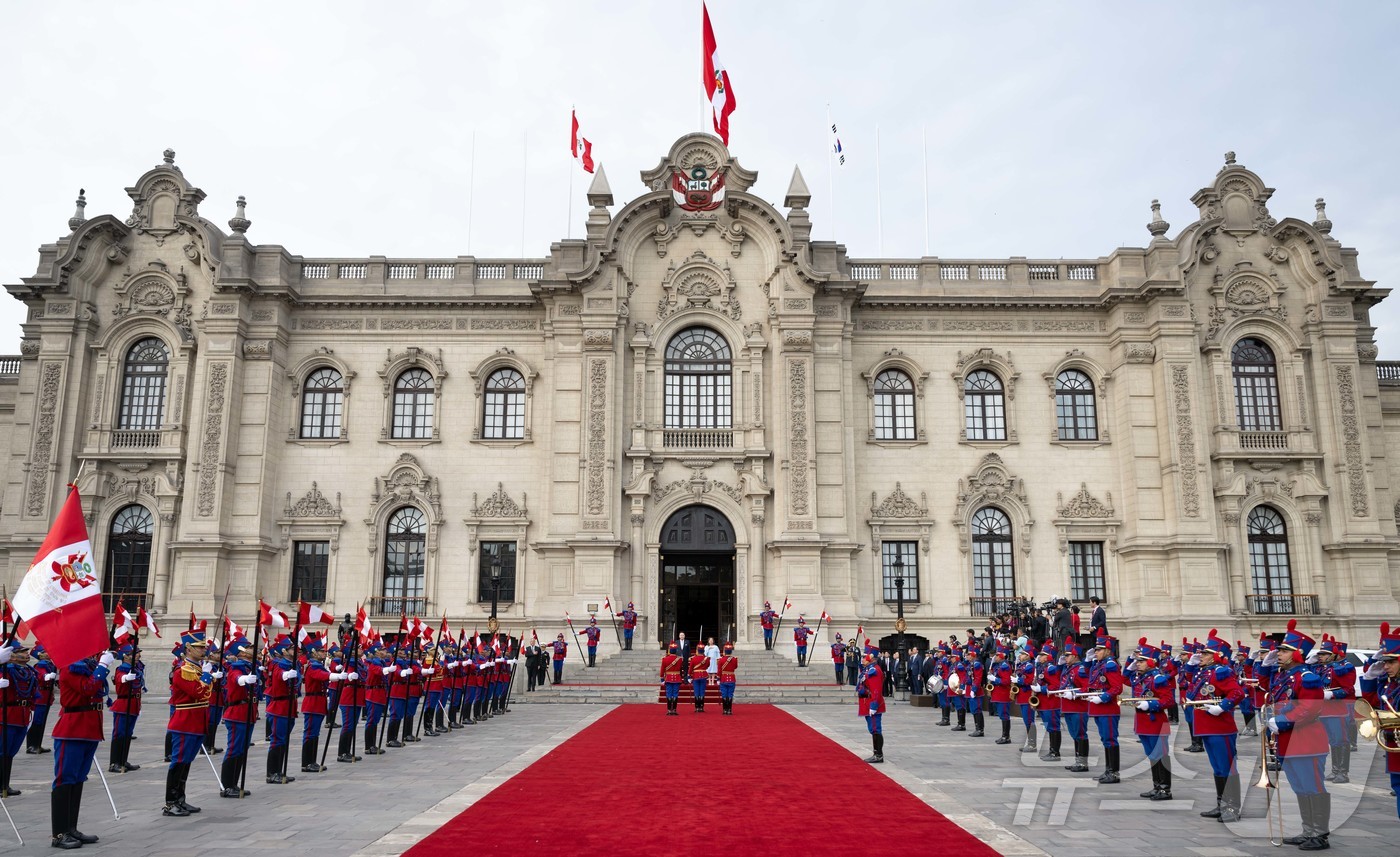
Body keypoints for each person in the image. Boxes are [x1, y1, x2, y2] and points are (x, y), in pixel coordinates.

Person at [1267, 619, 1331, 850]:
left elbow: (1310, 708)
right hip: (1289, 741)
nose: (1279, 654)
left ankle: (1320, 835)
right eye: (1280, 650)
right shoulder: (1286, 676)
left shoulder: (1307, 677)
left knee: (1313, 786)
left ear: (1298, 654)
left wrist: (1282, 721)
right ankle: (1308, 830)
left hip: (1307, 741)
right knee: (1300, 788)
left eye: (1285, 650)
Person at [51, 648, 115, 848]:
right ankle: (59, 834)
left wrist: (100, 666)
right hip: (72, 729)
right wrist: (103, 666)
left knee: (78, 779)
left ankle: (71, 828)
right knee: (65, 779)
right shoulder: (70, 667)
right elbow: (87, 689)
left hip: (89, 729)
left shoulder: (88, 666)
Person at [1193, 631, 1247, 822]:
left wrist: (1222, 707)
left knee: (1227, 767)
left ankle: (1232, 807)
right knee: (1217, 768)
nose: (1202, 655)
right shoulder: (1204, 672)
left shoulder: (1221, 672)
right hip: (1207, 726)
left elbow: (1237, 693)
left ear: (1217, 655)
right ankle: (1222, 804)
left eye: (1207, 653)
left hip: (1220, 727)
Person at [164, 628, 212, 817]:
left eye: (204, 647)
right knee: (178, 762)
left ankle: (180, 799)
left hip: (196, 722)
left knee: (186, 762)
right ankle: (170, 802)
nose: (204, 651)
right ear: (189, 648)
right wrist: (208, 678)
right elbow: (199, 693)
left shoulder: (196, 669)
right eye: (200, 648)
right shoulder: (182, 670)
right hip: (185, 722)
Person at [1358, 621, 1400, 820]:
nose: (1386, 666)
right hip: (1394, 745)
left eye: (1391, 662)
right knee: (1398, 787)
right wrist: (1369, 678)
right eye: (1385, 662)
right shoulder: (1388, 685)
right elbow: (1372, 702)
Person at [1129, 638, 1174, 800]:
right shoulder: (1139, 677)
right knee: (1152, 755)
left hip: (1156, 721)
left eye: (1141, 661)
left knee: (1161, 754)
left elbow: (1169, 700)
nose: (1137, 664)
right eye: (1137, 661)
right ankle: (1157, 786)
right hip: (1143, 721)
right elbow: (1124, 678)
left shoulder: (1158, 678)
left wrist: (1151, 705)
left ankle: (1165, 789)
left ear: (1149, 661)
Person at [1314, 634, 1356, 785]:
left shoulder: (1343, 668)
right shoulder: (1322, 669)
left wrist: (1331, 694)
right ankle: (1335, 769)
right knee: (1332, 741)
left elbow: (1348, 689)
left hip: (1338, 710)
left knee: (1341, 740)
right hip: (1324, 710)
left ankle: (1343, 773)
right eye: (1320, 654)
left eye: (1324, 654)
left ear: (1333, 654)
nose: (1321, 657)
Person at [220, 635, 259, 795]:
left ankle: (234, 784)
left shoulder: (250, 667)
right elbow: (235, 678)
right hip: (237, 714)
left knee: (242, 750)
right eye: (249, 647)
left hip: (247, 713)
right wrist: (244, 679)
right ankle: (227, 786)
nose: (252, 649)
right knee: (234, 749)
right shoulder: (236, 668)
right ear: (242, 652)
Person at [0, 638, 37, 798]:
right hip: (6, 715)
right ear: (11, 655)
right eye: (21, 652)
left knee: (10, 752)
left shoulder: (28, 671)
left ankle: (5, 784)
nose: (25, 654)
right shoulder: (4, 670)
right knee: (2, 751)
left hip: (22, 715)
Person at [1085, 635, 1124, 784]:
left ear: (1107, 650)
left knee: (1110, 739)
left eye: (1099, 650)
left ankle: (1114, 772)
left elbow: (1117, 687)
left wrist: (1103, 697)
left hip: (1107, 708)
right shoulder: (1099, 664)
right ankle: (1108, 770)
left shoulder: (1110, 665)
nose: (1096, 652)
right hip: (1099, 708)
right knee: (1105, 739)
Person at [108, 643, 144, 773]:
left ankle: (123, 760)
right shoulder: (122, 668)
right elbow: (118, 678)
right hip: (123, 705)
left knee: (128, 734)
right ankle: (114, 763)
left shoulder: (135, 667)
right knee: (119, 734)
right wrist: (125, 678)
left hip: (133, 704)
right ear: (125, 656)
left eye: (138, 653)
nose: (138, 655)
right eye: (134, 653)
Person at [299, 633, 331, 771]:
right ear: (314, 653)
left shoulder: (318, 665)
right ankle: (306, 763)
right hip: (312, 703)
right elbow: (320, 676)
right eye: (321, 651)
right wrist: (333, 675)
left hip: (319, 702)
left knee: (315, 734)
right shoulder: (312, 667)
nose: (324, 653)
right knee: (310, 733)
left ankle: (312, 761)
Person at [25, 642, 56, 754]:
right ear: (42, 654)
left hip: (47, 696)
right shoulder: (41, 665)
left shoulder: (50, 664)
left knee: (42, 722)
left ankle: (38, 744)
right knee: (37, 722)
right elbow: (40, 675)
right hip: (41, 697)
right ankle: (31, 745)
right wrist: (47, 676)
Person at [857, 650, 886, 763]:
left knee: (875, 729)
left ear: (871, 658)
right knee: (872, 729)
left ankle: (878, 754)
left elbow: (876, 690)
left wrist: (873, 705)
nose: (863, 659)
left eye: (865, 657)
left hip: (872, 703)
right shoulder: (868, 669)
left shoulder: (874, 670)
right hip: (867, 702)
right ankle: (876, 753)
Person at [660, 642, 683, 716]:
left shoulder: (664, 659)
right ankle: (675, 710)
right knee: (675, 694)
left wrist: (662, 679)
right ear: (676, 650)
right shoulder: (679, 659)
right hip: (677, 678)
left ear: (669, 650)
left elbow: (662, 670)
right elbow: (680, 669)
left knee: (669, 694)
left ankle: (669, 710)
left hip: (668, 678)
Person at [717, 642, 738, 715]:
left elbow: (719, 670)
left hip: (723, 679)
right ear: (731, 651)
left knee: (724, 694)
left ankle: (724, 710)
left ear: (725, 651)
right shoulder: (735, 659)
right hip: (731, 678)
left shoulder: (721, 660)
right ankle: (729, 710)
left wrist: (718, 678)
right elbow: (735, 667)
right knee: (730, 694)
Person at [688, 644, 709, 713]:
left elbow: (691, 668)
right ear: (703, 651)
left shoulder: (693, 658)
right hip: (703, 675)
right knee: (702, 692)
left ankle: (697, 707)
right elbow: (707, 666)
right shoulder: (706, 658)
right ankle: (701, 708)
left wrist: (689, 676)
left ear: (697, 651)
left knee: (696, 692)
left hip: (696, 676)